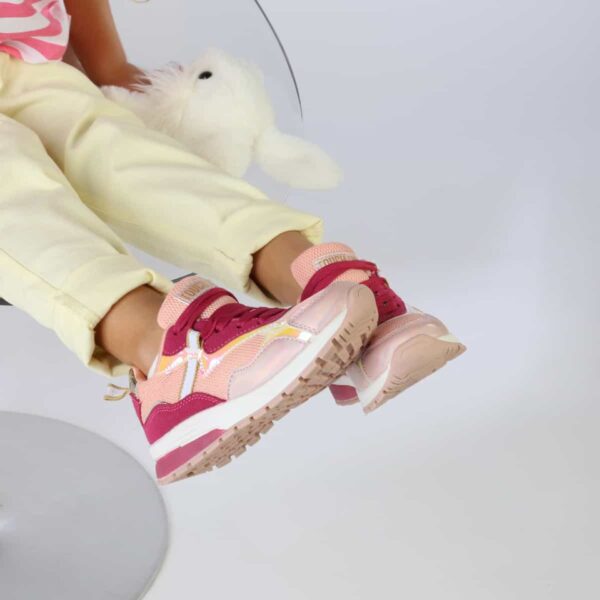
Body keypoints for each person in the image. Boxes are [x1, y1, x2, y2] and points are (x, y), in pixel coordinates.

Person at [0, 0, 465, 484]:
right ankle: (166, 357)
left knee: (121, 153)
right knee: (17, 190)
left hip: (24, 57)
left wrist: (109, 68)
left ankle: (329, 290)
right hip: (28, 57)